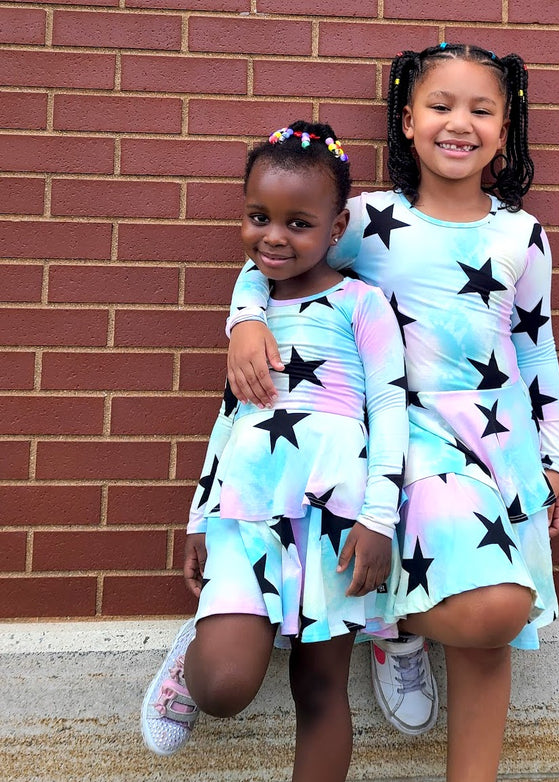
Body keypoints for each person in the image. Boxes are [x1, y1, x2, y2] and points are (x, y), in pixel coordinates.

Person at [225, 43, 559, 782]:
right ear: (407, 121)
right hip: (391, 442)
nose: (460, 124)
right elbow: (274, 252)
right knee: (489, 610)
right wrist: (246, 321)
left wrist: (551, 457)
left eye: (482, 110)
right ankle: (391, 622)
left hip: (490, 443)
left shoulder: (521, 234)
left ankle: (401, 635)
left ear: (505, 132)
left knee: (492, 633)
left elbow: (536, 349)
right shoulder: (367, 218)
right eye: (440, 106)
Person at [140, 120, 410, 782]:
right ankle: (199, 648)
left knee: (320, 687)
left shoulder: (362, 304)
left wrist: (380, 519)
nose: (274, 236)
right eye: (259, 217)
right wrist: (200, 517)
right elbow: (229, 418)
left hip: (338, 517)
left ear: (336, 227)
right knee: (226, 686)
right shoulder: (249, 318)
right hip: (250, 507)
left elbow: (392, 410)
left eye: (297, 222)